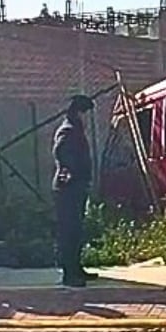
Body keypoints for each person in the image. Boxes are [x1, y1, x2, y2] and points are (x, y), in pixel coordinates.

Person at [52, 94, 96, 287]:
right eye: (86, 113)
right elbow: (61, 151)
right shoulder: (68, 131)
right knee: (69, 230)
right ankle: (69, 274)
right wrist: (70, 171)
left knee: (76, 229)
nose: (87, 118)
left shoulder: (75, 129)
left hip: (76, 186)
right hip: (68, 188)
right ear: (79, 112)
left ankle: (76, 268)